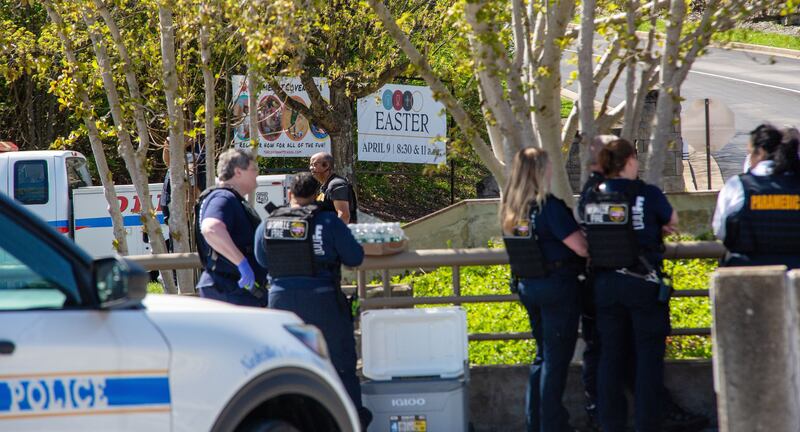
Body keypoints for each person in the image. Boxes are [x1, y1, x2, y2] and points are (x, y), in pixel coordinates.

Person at [578, 136, 707, 432]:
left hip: (605, 285)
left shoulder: (592, 195)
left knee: (610, 355)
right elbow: (672, 219)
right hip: (643, 283)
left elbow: (587, 229)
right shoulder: (647, 193)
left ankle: (611, 424)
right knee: (648, 357)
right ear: (630, 161)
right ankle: (647, 423)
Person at [254, 172, 372, 429]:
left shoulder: (269, 224)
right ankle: (351, 421)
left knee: (286, 367)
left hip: (280, 305)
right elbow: (354, 257)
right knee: (341, 365)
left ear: (289, 195)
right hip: (323, 304)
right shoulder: (328, 222)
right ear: (316, 195)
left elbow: (262, 260)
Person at [500, 148, 588, 432]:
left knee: (542, 356)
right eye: (548, 166)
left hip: (530, 287)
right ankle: (552, 424)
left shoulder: (512, 209)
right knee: (555, 360)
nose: (552, 170)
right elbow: (580, 248)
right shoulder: (549, 207)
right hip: (557, 289)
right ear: (540, 171)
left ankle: (535, 422)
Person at [713, 124, 800, 268]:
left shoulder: (738, 186)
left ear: (759, 152)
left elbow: (720, 230)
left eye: (750, 152)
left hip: (747, 274)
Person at [195, 148, 266, 307]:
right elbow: (211, 228)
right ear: (238, 172)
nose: (257, 174)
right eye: (254, 169)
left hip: (230, 287)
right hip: (229, 289)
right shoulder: (223, 197)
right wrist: (242, 263)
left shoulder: (226, 197)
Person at [309, 152, 358, 224]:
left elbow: (344, 216)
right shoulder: (325, 186)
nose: (311, 168)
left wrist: (335, 234)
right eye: (310, 165)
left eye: (314, 164)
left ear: (326, 165)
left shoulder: (336, 185)